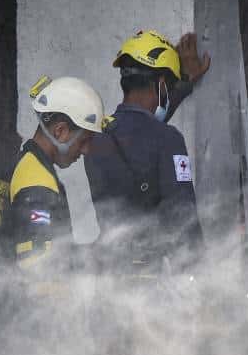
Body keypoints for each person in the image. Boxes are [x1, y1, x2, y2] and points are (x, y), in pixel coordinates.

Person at [84, 30, 210, 274]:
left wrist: (183, 84)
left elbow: (138, 131)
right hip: (150, 283)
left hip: (110, 273)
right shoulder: (168, 139)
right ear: (162, 84)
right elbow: (183, 219)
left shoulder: (97, 138)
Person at [0, 75, 104, 275]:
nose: (86, 150)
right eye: (84, 140)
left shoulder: (25, 162)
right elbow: (39, 269)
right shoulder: (37, 184)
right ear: (60, 131)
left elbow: (45, 246)